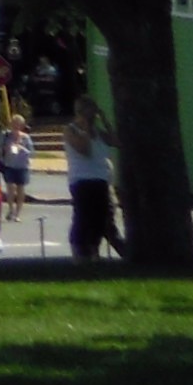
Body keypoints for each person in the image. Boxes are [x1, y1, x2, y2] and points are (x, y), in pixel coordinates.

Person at [63, 101, 117, 267]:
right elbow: (85, 150)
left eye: (93, 114)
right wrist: (84, 127)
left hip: (100, 178)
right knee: (83, 216)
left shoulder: (98, 132)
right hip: (81, 180)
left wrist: (105, 120)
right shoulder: (71, 130)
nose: (91, 118)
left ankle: (94, 250)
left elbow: (116, 141)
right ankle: (78, 251)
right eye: (88, 114)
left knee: (101, 217)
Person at [0, 118, 36, 240]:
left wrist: (23, 149)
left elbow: (32, 153)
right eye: (14, 124)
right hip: (9, 165)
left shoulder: (26, 138)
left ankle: (18, 213)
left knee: (21, 189)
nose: (16, 126)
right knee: (10, 188)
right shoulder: (5, 135)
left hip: (22, 166)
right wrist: (6, 149)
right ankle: (11, 209)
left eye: (19, 124)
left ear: (22, 125)